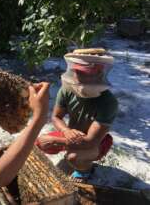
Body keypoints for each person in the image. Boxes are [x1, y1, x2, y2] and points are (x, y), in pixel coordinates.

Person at [36, 48, 118, 182]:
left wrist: (57, 141)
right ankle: (75, 153)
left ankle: (85, 170)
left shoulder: (108, 102)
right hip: (71, 134)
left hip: (98, 142)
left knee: (73, 157)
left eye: (86, 73)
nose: (79, 77)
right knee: (40, 143)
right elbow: (56, 117)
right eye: (77, 72)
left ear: (99, 73)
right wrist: (65, 130)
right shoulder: (66, 90)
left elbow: (91, 141)